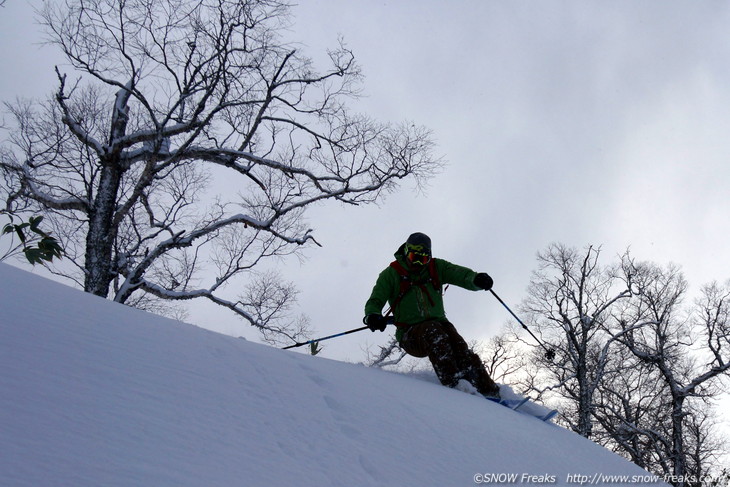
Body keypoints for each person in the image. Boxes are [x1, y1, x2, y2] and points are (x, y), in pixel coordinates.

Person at [363, 232, 501, 398]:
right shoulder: (391, 274)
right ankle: (454, 385)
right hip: (410, 334)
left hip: (440, 324)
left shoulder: (436, 267)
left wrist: (476, 279)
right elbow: (375, 300)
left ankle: (489, 391)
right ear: (407, 252)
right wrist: (372, 315)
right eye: (415, 257)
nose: (419, 263)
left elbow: (460, 274)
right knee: (434, 332)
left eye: (424, 259)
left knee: (459, 346)